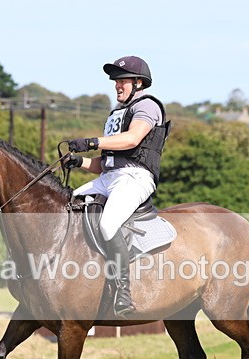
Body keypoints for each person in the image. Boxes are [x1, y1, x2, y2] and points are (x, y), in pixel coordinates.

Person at [64, 56, 170, 317]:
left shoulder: (147, 106)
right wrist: (80, 161)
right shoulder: (116, 114)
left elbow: (133, 139)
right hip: (110, 177)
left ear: (138, 83)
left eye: (122, 80)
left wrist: (91, 142)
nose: (117, 86)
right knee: (66, 206)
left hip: (136, 177)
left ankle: (123, 291)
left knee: (108, 224)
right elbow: (107, 163)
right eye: (115, 81)